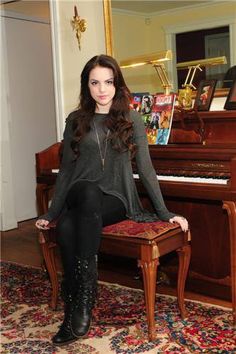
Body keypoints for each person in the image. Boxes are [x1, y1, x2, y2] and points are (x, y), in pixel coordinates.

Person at [35, 54, 188, 346]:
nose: (102, 89)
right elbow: (67, 170)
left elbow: (145, 169)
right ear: (87, 86)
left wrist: (164, 211)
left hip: (116, 199)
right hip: (81, 194)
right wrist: (52, 210)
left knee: (68, 228)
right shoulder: (75, 120)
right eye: (95, 82)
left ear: (117, 84)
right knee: (86, 194)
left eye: (108, 81)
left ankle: (75, 298)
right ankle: (83, 300)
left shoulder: (131, 120)